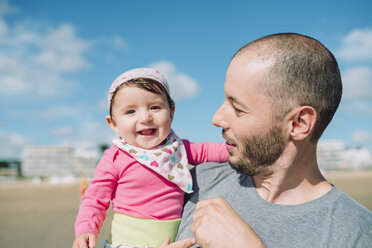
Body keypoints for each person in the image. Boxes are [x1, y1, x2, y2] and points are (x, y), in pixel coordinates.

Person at [174, 33, 372, 247]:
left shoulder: (356, 234)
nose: (217, 119)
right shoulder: (194, 181)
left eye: (238, 109)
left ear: (298, 123)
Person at [73, 68, 228, 248]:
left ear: (171, 112)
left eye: (155, 107)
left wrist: (242, 149)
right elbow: (95, 199)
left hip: (172, 240)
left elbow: (215, 151)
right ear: (113, 123)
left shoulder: (179, 149)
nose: (145, 117)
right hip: (126, 243)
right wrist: (86, 229)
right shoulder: (115, 156)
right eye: (131, 111)